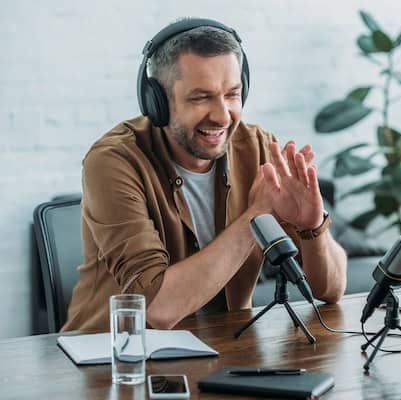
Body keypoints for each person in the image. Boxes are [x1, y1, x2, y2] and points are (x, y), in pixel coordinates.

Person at [62, 19, 347, 332]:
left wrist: (313, 227)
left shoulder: (259, 149)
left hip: (225, 357)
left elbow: (331, 291)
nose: (222, 115)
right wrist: (256, 216)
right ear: (157, 102)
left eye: (232, 94)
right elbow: (158, 308)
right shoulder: (113, 161)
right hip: (115, 359)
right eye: (201, 97)